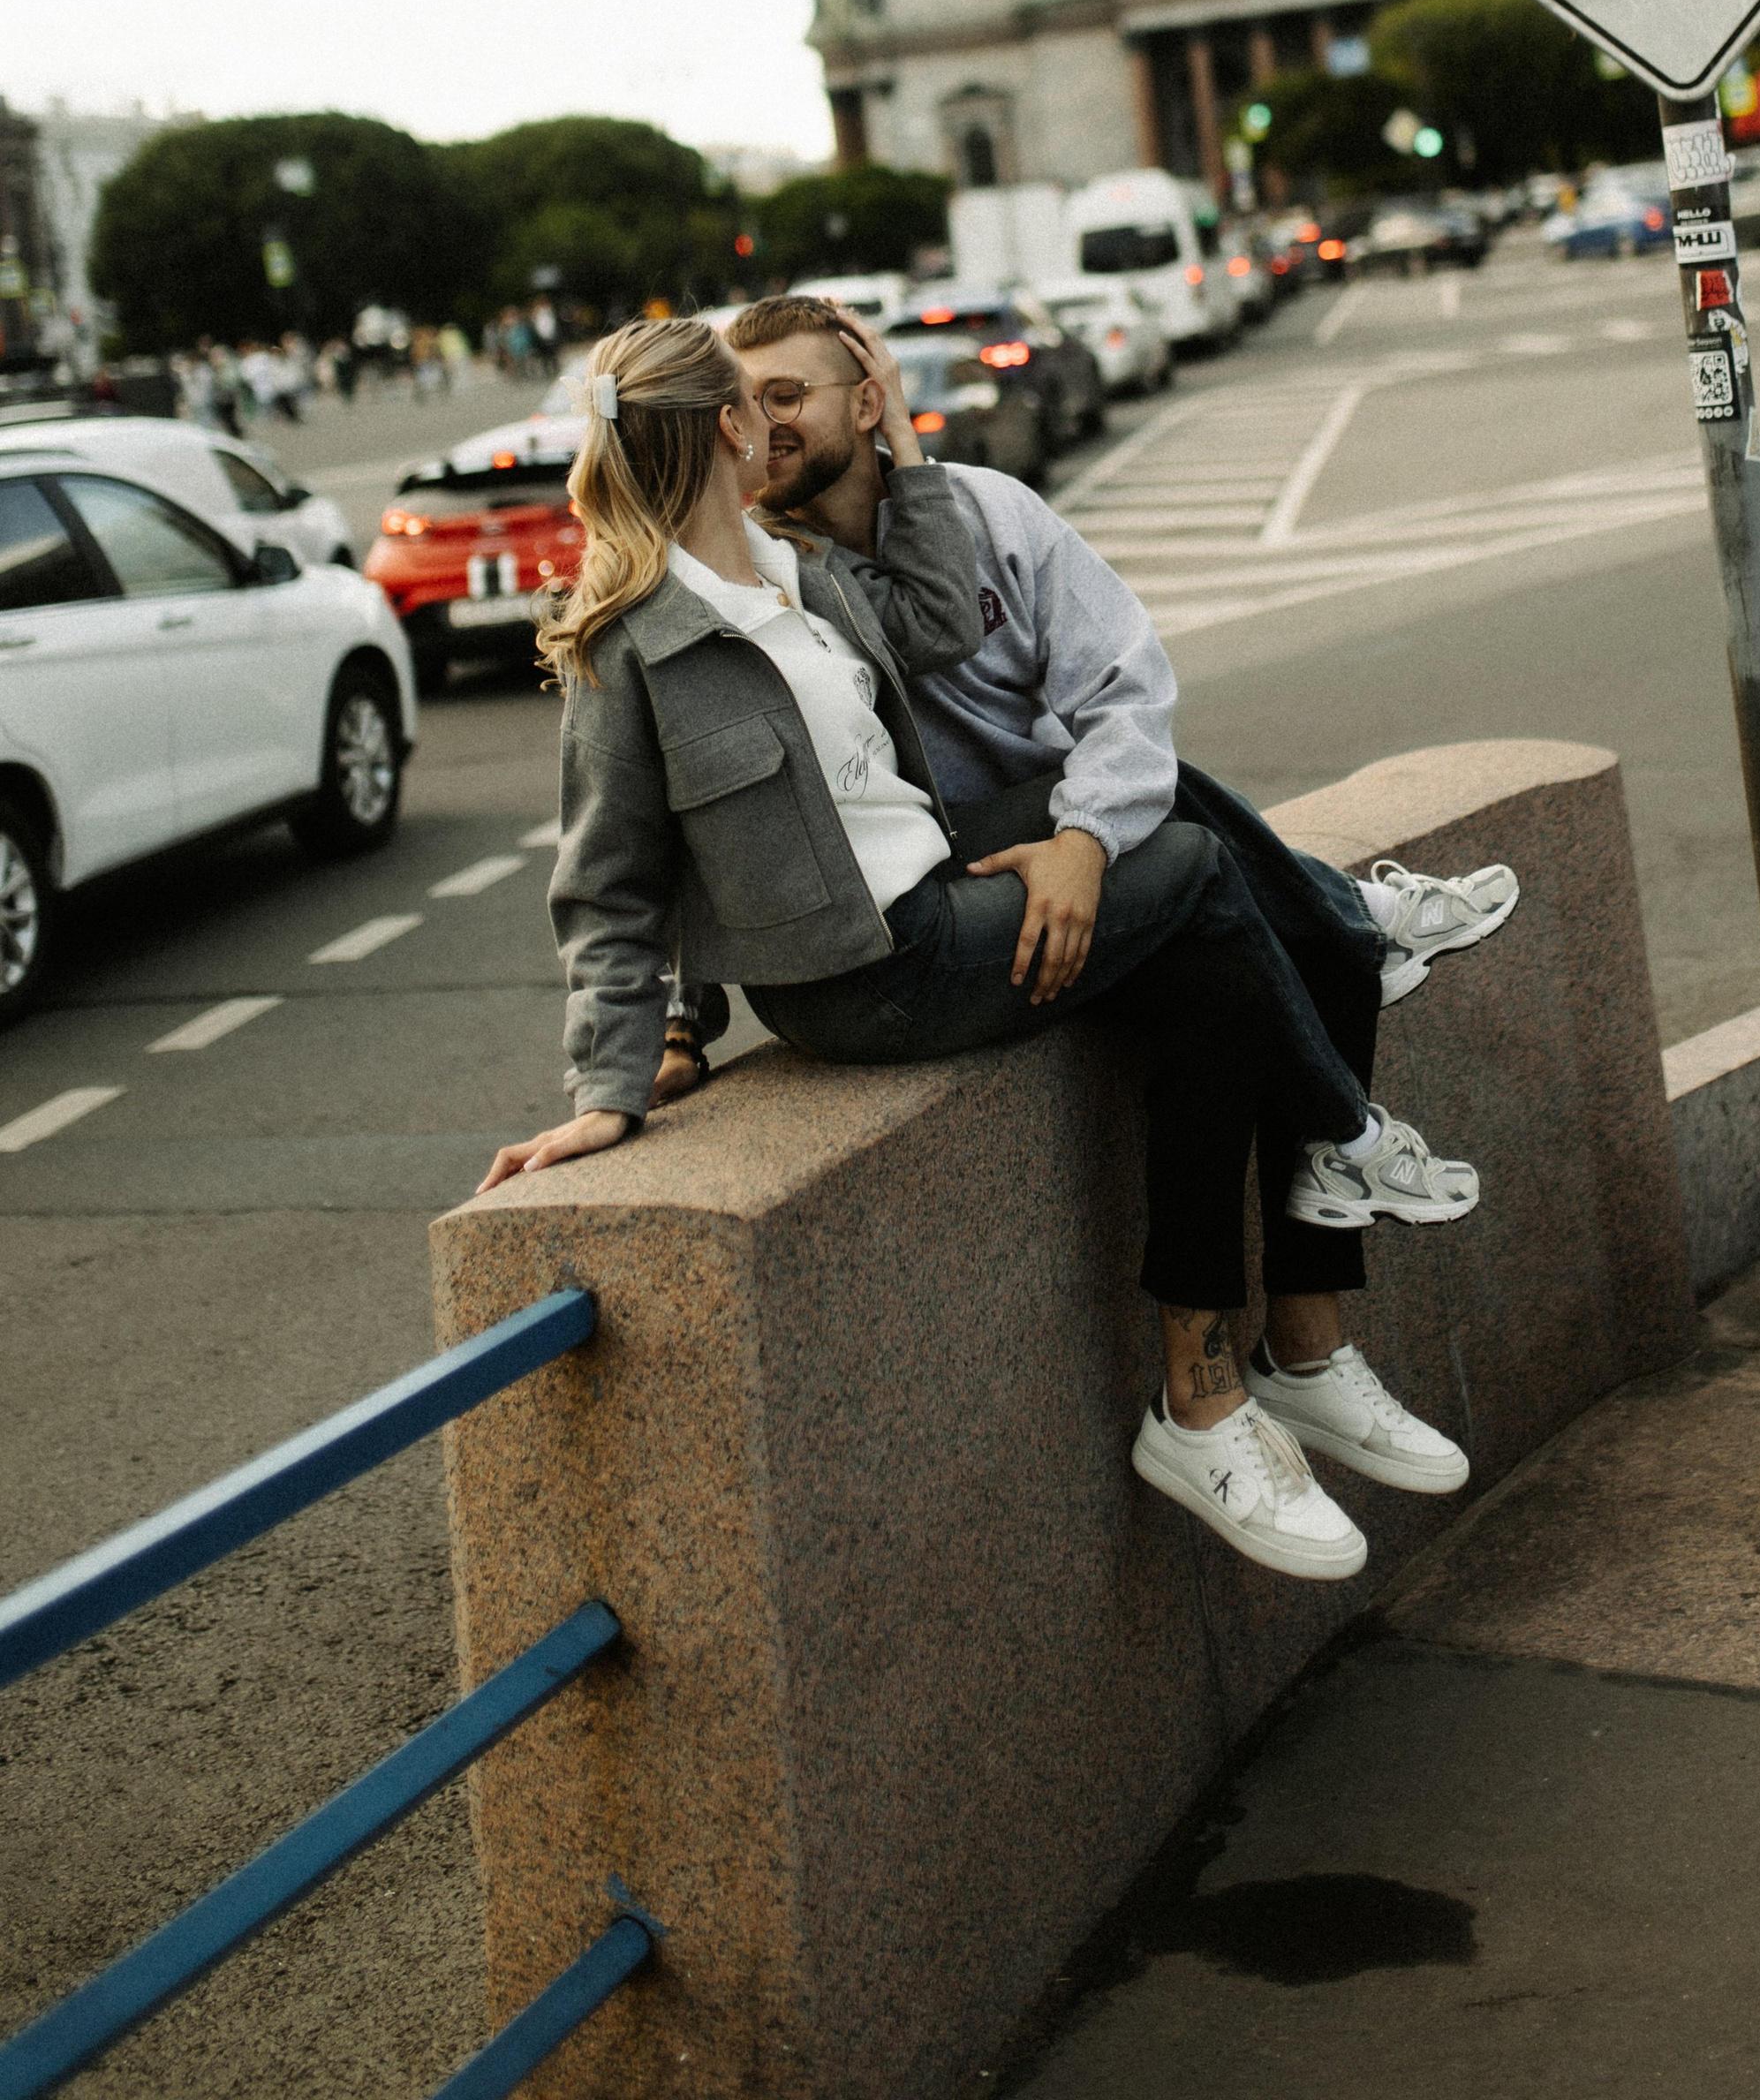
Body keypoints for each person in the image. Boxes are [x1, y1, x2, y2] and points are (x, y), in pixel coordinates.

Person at [478, 311, 1483, 1583]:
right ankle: (1338, 1126)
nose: (780, 420)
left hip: (938, 878)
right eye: (759, 400)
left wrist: (899, 435)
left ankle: (1324, 1071)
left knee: (1147, 830)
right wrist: (614, 1083)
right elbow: (613, 889)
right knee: (1188, 873)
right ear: (730, 427)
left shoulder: (803, 575)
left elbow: (947, 618)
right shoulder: (633, 648)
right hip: (875, 970)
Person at [724, 294, 1506, 1515]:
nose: (761, 424)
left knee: (1240, 966)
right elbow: (671, 804)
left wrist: (1086, 838)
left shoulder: (999, 513)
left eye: (789, 395)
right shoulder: (764, 573)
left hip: (1078, 863)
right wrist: (667, 1027)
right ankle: (1344, 953)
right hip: (954, 892)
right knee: (1262, 915)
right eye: (742, 402)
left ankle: (1295, 1353)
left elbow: (1126, 691)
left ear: (862, 401)